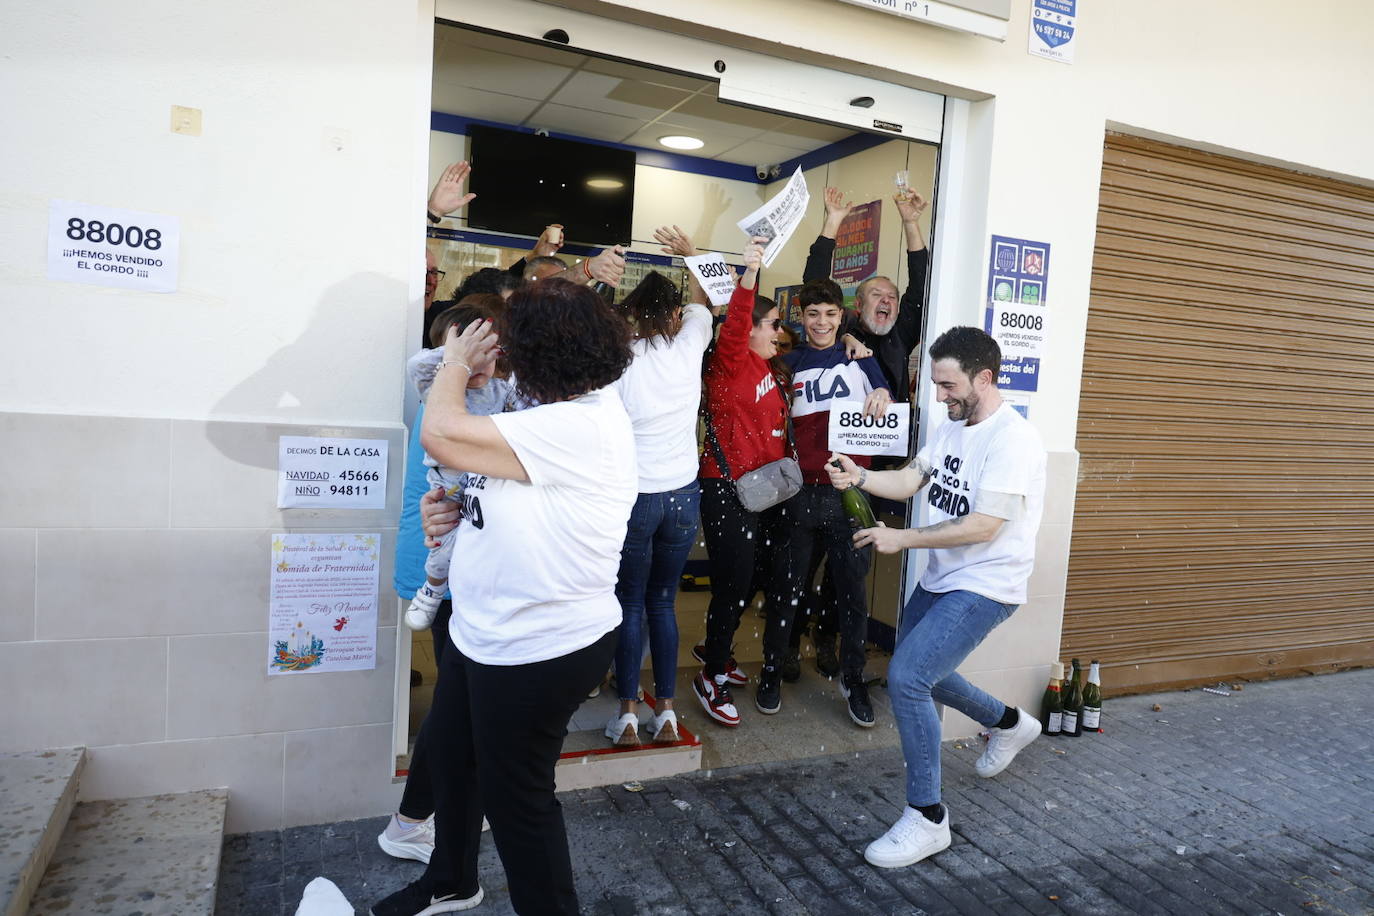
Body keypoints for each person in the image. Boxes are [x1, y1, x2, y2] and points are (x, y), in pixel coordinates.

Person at [370, 278, 636, 916]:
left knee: (518, 800)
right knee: (455, 759)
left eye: (514, 343)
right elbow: (510, 490)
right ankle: (451, 879)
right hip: (482, 632)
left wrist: (456, 363)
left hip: (538, 647)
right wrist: (456, 512)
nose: (505, 356)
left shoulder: (582, 424)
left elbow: (441, 433)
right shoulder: (547, 418)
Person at [825, 325, 1046, 870]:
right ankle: (1010, 723)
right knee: (920, 670)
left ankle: (927, 817)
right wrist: (861, 478)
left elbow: (984, 526)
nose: (940, 396)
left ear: (984, 378)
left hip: (987, 583)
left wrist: (903, 539)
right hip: (944, 577)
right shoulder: (953, 427)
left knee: (908, 677)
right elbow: (910, 480)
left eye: (948, 386)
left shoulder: (1013, 440)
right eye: (937, 385)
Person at [766, 280, 890, 726]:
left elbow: (887, 408)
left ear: (843, 317)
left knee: (853, 596)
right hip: (799, 493)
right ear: (802, 317)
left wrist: (881, 394)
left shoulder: (861, 358)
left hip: (850, 496)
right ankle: (773, 668)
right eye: (813, 314)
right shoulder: (786, 364)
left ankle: (853, 678)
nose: (822, 323)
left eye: (830, 315)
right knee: (787, 588)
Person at [604, 251, 713, 747]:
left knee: (629, 602)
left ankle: (628, 712)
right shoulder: (690, 346)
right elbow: (701, 303)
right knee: (663, 603)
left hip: (637, 498)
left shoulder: (621, 362)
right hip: (683, 498)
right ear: (672, 314)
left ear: (632, 314)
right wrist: (691, 255)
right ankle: (666, 712)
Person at [692, 237, 786, 728]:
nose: (780, 332)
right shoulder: (731, 361)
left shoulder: (770, 367)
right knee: (732, 585)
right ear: (746, 330)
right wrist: (750, 272)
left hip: (763, 493)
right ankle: (710, 677)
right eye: (772, 325)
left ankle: (717, 649)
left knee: (748, 580)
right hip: (726, 490)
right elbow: (736, 317)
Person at [401, 303, 514, 631]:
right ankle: (432, 590)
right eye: (472, 356)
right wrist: (458, 356)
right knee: (444, 544)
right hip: (450, 485)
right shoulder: (437, 386)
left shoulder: (501, 389)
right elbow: (416, 364)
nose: (480, 366)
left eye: (488, 356)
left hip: (487, 485)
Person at [804, 185, 930, 401]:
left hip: (889, 433)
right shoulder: (840, 327)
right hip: (841, 430)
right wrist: (833, 222)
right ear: (859, 305)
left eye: (892, 297)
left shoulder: (901, 334)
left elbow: (920, 285)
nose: (885, 300)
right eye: (876, 294)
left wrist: (911, 223)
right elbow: (815, 287)